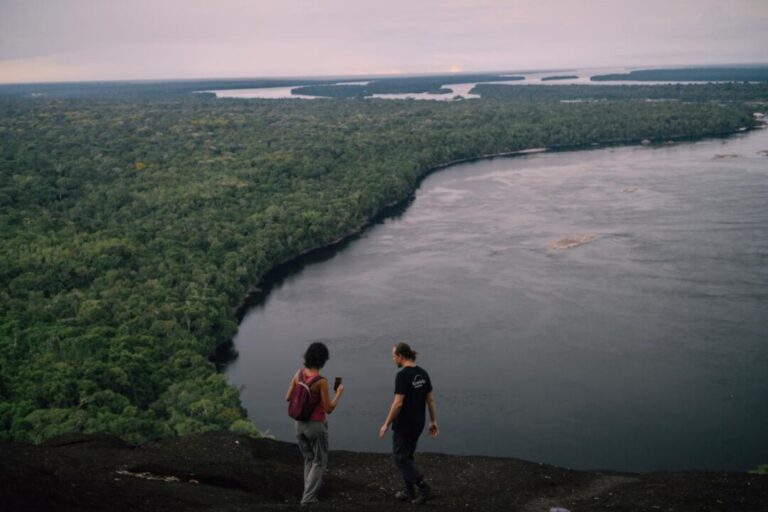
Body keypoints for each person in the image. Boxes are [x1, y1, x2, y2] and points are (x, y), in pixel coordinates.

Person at [285, 341, 344, 506]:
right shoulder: (321, 381)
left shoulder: (298, 374)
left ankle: (308, 495)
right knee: (319, 462)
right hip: (315, 425)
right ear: (323, 360)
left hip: (299, 425)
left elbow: (288, 397)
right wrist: (338, 393)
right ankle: (308, 499)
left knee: (309, 459)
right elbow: (329, 408)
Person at [379, 342, 438, 504]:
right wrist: (433, 421)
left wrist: (386, 423)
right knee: (408, 456)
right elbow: (430, 399)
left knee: (400, 458)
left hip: (404, 424)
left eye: (393, 356)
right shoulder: (423, 373)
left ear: (401, 356)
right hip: (418, 422)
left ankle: (424, 488)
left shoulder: (403, 375)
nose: (393, 359)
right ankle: (409, 491)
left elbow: (398, 403)